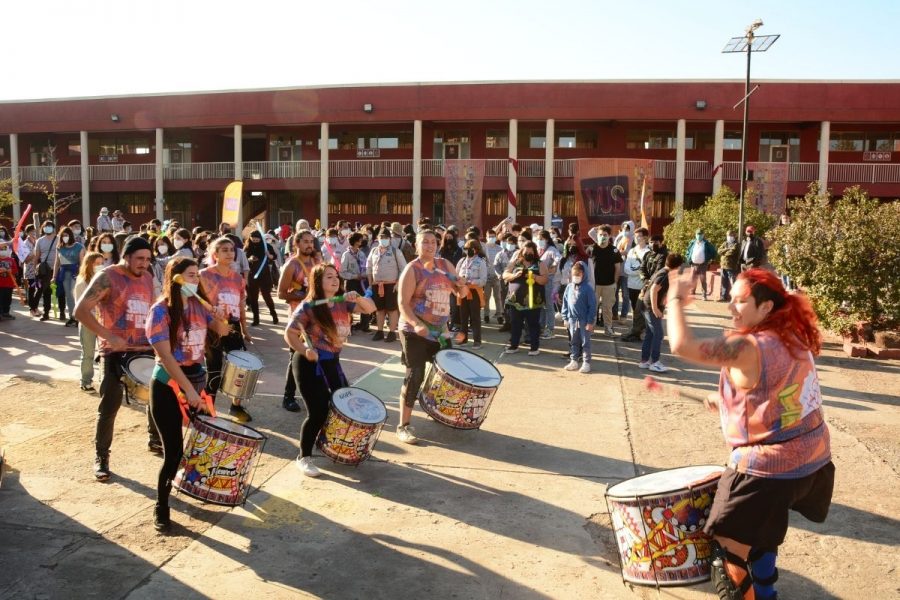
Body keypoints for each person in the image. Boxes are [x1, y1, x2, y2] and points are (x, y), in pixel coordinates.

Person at [666, 268, 834, 600]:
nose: (731, 308)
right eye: (730, 299)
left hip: (768, 468)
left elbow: (681, 345)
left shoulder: (747, 346)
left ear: (766, 308)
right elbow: (782, 392)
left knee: (727, 551)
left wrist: (675, 296)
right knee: (761, 527)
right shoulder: (792, 335)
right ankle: (767, 591)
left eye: (741, 301)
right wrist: (729, 401)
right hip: (813, 461)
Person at [146, 257, 230, 530]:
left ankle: (196, 487)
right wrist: (188, 391)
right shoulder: (160, 311)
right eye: (190, 275)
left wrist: (218, 315)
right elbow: (166, 357)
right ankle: (161, 506)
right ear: (176, 278)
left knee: (206, 442)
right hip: (169, 383)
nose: (195, 280)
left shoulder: (198, 305)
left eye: (197, 276)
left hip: (197, 377)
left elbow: (223, 330)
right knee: (173, 451)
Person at [74, 236, 158, 480]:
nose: (144, 263)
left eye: (148, 259)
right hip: (114, 351)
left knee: (155, 396)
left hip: (144, 347)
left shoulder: (148, 277)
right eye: (139, 258)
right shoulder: (108, 276)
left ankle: (155, 439)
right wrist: (108, 336)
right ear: (127, 256)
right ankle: (101, 457)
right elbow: (80, 310)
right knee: (109, 406)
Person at [284, 264, 376, 477]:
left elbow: (370, 308)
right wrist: (305, 350)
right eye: (329, 277)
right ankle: (304, 457)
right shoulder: (308, 306)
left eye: (336, 276)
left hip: (332, 362)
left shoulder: (343, 302)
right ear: (318, 282)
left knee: (342, 407)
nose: (335, 280)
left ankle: (331, 446)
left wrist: (358, 297)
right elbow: (289, 334)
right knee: (317, 411)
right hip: (308, 363)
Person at [395, 230, 464, 444]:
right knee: (414, 375)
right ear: (417, 246)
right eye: (424, 242)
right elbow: (403, 303)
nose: (430, 245)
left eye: (433, 242)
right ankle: (403, 425)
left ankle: (438, 411)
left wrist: (462, 284)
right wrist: (416, 324)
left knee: (447, 375)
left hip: (440, 330)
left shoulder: (445, 266)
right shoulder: (412, 269)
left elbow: (461, 294)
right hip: (413, 329)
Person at [201, 236, 253, 422]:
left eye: (232, 250)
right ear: (215, 254)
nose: (230, 253)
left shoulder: (238, 278)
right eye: (224, 250)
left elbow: (240, 305)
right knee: (214, 369)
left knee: (241, 369)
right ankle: (207, 408)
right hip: (213, 328)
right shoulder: (204, 275)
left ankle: (236, 406)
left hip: (233, 327)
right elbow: (198, 304)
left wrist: (245, 329)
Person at [277, 230, 321, 412]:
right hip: (298, 318)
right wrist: (303, 295)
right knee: (295, 355)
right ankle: (288, 396)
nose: (309, 245)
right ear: (297, 244)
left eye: (311, 241)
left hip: (317, 317)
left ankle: (311, 393)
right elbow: (281, 293)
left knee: (316, 354)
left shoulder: (317, 263)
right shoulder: (292, 265)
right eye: (305, 242)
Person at [503, 240, 549, 356]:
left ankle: (534, 347)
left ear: (534, 252)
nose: (528, 254)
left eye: (531, 252)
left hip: (534, 301)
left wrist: (533, 276)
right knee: (515, 323)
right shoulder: (515, 262)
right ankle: (514, 345)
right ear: (521, 252)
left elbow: (544, 280)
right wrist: (514, 275)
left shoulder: (540, 264)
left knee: (533, 324)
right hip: (515, 301)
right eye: (526, 252)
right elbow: (505, 275)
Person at [639, 253, 683, 372]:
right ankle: (654, 362)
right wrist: (655, 309)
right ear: (677, 266)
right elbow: (654, 289)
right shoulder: (665, 274)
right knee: (658, 334)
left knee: (650, 334)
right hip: (650, 307)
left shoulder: (662, 271)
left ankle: (645, 361)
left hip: (646, 306)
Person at [367, 227, 407, 342]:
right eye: (381, 237)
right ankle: (379, 331)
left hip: (391, 285)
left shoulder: (395, 251)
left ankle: (392, 332)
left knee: (392, 309)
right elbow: (368, 267)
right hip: (376, 284)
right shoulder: (374, 251)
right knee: (379, 309)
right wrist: (370, 283)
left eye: (385, 237)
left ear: (389, 239)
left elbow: (403, 269)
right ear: (377, 238)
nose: (383, 239)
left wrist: (398, 283)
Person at [75, 252, 104, 391]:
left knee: (104, 353)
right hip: (88, 322)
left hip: (103, 322)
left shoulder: (103, 281)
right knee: (88, 353)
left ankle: (104, 380)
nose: (99, 266)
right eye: (96, 263)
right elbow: (80, 307)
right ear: (89, 264)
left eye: (101, 263)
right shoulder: (82, 282)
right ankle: (86, 380)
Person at [560, 261, 596, 373]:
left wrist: (590, 322)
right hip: (572, 319)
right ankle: (574, 360)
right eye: (574, 275)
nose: (576, 277)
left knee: (585, 342)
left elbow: (592, 306)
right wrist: (565, 317)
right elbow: (565, 302)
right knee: (574, 341)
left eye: (578, 275)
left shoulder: (588, 289)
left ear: (584, 275)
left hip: (584, 320)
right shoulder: (569, 287)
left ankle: (586, 362)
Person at [588, 224, 622, 336]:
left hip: (609, 285)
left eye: (605, 235)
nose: (602, 236)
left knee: (607, 309)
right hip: (594, 285)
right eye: (600, 234)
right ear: (597, 235)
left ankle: (608, 328)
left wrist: (615, 283)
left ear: (609, 236)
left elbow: (618, 268)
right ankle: (591, 328)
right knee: (592, 307)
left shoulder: (614, 250)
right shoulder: (592, 249)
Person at [455, 239, 487, 349]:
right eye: (466, 249)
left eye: (470, 249)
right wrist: (460, 281)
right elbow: (457, 274)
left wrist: (471, 282)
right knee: (463, 317)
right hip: (463, 291)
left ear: (476, 250)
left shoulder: (481, 262)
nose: (467, 251)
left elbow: (483, 280)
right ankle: (463, 340)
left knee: (475, 317)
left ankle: (477, 341)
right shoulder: (462, 261)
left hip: (474, 292)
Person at [620, 227, 651, 341]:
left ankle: (643, 331)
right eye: (635, 236)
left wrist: (636, 270)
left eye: (639, 236)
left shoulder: (649, 252)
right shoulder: (632, 251)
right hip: (631, 284)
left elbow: (645, 269)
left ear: (645, 237)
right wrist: (635, 271)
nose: (637, 239)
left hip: (643, 286)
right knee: (634, 309)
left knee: (643, 310)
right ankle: (636, 331)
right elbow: (627, 268)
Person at [245, 230, 279, 326]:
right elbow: (244, 259)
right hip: (252, 275)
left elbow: (274, 257)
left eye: (257, 238)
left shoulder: (266, 246)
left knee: (266, 296)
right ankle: (256, 319)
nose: (255, 240)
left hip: (264, 274)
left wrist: (269, 255)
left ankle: (274, 314)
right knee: (253, 298)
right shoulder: (248, 247)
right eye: (253, 239)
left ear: (260, 238)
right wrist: (250, 259)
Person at [341, 232, 371, 333]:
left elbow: (366, 266)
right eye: (360, 240)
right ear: (355, 241)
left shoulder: (361, 253)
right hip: (351, 282)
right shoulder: (346, 255)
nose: (361, 241)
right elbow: (342, 272)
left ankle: (364, 325)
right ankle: (348, 326)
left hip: (362, 282)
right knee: (350, 304)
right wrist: (354, 276)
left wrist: (365, 274)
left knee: (364, 302)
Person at [537, 229, 561, 339]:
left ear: (547, 239)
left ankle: (551, 329)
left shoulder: (551, 249)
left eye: (541, 239)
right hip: (539, 281)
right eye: (538, 239)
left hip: (548, 281)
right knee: (541, 304)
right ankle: (541, 326)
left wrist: (553, 267)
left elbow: (558, 258)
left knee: (549, 305)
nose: (539, 241)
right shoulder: (539, 250)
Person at [685, 228, 717, 301]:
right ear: (695, 235)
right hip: (693, 264)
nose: (699, 236)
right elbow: (688, 251)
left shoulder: (706, 243)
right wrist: (689, 259)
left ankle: (704, 295)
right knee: (692, 279)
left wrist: (708, 259)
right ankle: (692, 293)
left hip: (703, 265)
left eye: (700, 234)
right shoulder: (692, 242)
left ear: (703, 235)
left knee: (703, 280)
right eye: (698, 234)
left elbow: (713, 252)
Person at [493, 233, 516, 332]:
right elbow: (496, 266)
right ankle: (507, 322)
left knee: (515, 302)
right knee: (504, 302)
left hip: (515, 281)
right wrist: (499, 275)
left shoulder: (518, 253)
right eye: (508, 243)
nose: (510, 245)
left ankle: (515, 323)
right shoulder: (500, 254)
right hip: (503, 281)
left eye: (512, 243)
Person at [17, 225, 39, 317]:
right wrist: (35, 254)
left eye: (34, 231)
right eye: (31, 232)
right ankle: (31, 309)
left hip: (38, 269)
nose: (33, 233)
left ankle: (35, 307)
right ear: (27, 233)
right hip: (30, 270)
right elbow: (25, 260)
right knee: (31, 289)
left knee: (38, 289)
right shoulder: (25, 244)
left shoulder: (37, 241)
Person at [481, 230, 503, 324]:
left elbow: (502, 262)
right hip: (486, 277)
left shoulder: (499, 248)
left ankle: (499, 314)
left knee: (498, 297)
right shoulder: (483, 248)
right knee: (486, 297)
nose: (491, 238)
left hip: (496, 276)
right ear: (486, 237)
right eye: (490, 236)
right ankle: (486, 314)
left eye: (493, 236)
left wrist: (501, 274)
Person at [718, 230, 740, 302]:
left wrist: (724, 252)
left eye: (730, 235)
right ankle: (723, 297)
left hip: (731, 266)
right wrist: (727, 249)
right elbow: (719, 251)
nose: (729, 237)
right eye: (728, 235)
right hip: (723, 266)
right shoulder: (725, 243)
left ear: (734, 236)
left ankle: (734, 298)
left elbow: (731, 253)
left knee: (732, 282)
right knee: (724, 282)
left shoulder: (736, 244)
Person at [0, 240, 19, 320]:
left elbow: (16, 270)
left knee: (8, 299)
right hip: (0, 284)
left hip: (9, 284)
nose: (3, 250)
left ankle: (6, 312)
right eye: (1, 249)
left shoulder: (12, 260)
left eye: (5, 248)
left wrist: (11, 270)